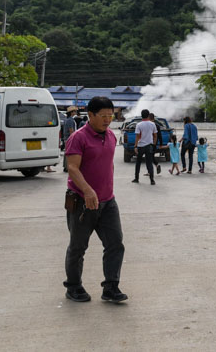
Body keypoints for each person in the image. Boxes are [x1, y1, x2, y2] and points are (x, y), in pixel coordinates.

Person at [63, 96, 127, 303]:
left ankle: (111, 287)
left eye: (111, 116)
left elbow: (108, 164)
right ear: (90, 115)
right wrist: (88, 191)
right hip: (82, 201)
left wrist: (106, 188)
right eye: (103, 116)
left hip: (108, 201)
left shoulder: (111, 136)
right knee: (78, 246)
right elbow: (72, 167)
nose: (108, 120)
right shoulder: (79, 137)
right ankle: (73, 286)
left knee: (115, 244)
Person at [132, 109, 157, 185]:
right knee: (149, 163)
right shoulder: (152, 124)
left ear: (141, 115)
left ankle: (136, 178)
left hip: (141, 146)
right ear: (148, 115)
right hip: (149, 145)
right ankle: (152, 180)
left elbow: (137, 136)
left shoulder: (139, 125)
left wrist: (135, 146)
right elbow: (155, 135)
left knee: (138, 162)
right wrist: (153, 144)